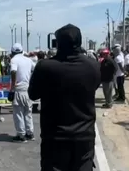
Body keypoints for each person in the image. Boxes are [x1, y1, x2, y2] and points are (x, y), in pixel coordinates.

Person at [28, 24, 100, 170]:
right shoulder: (93, 66)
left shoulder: (45, 67)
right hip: (84, 137)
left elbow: (33, 94)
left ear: (58, 43)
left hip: (55, 138)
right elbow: (94, 86)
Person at [9, 43, 35, 142]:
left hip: (18, 89)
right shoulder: (28, 60)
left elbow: (13, 71)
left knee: (18, 113)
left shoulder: (14, 60)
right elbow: (35, 69)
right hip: (27, 89)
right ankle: (30, 133)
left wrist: (12, 86)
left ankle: (21, 135)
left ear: (12, 52)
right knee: (28, 112)